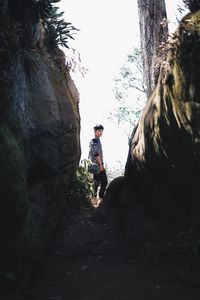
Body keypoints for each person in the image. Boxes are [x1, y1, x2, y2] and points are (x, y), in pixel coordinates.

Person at [88, 124, 108, 205]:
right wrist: (100, 164)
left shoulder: (98, 141)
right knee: (103, 182)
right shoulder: (94, 141)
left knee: (96, 183)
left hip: (97, 164)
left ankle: (96, 201)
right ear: (95, 131)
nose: (101, 133)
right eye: (99, 131)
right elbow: (95, 153)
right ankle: (98, 201)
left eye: (102, 131)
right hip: (96, 165)